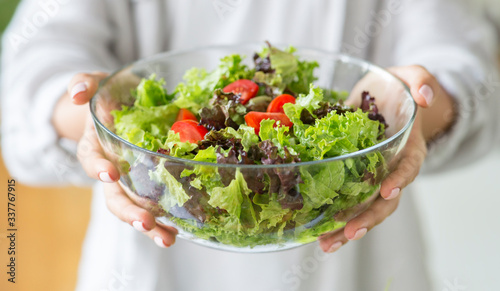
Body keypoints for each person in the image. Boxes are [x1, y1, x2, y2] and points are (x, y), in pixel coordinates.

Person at [1, 0, 498, 290]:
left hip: (355, 259)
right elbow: (31, 63)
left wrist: (413, 108)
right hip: (152, 250)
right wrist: (95, 115)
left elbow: (471, 67)